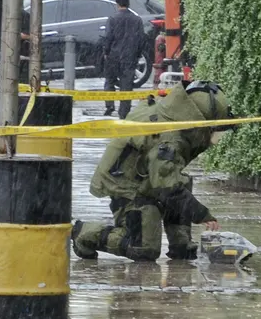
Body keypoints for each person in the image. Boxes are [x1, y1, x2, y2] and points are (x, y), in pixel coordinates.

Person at [72, 81, 237, 261]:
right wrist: (202, 215)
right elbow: (168, 189)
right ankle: (84, 233)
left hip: (146, 178)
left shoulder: (174, 116)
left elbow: (169, 181)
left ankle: (181, 246)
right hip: (125, 186)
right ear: (202, 123)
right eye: (216, 131)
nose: (217, 139)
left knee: (179, 184)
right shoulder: (170, 138)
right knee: (144, 249)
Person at [103, 0, 145, 119]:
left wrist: (106, 52)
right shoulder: (137, 20)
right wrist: (137, 54)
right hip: (130, 57)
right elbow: (141, 39)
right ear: (128, 4)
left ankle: (110, 105)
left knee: (110, 81)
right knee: (127, 84)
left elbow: (108, 37)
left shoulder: (112, 19)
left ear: (117, 4)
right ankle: (124, 111)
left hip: (114, 56)